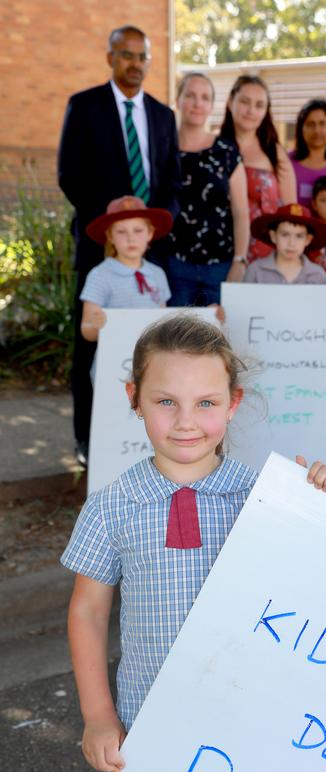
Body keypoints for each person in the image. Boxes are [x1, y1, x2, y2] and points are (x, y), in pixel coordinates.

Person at [61, 313, 326, 772]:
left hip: (254, 719)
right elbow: (88, 613)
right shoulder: (109, 507)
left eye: (205, 403)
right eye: (165, 401)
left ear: (233, 403)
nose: (185, 422)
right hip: (148, 722)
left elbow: (323, 589)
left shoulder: (268, 499)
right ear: (133, 398)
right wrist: (98, 716)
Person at [58, 24, 181, 466]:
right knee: (91, 345)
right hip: (100, 248)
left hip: (150, 253)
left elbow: (171, 180)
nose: (135, 63)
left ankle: (143, 436)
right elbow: (69, 175)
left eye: (142, 56)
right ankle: (88, 439)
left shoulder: (163, 115)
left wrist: (151, 228)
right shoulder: (85, 106)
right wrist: (113, 221)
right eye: (126, 55)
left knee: (152, 347)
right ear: (110, 58)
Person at [166, 73, 249, 305]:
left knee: (216, 339)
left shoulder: (226, 151)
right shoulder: (163, 149)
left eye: (205, 97)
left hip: (220, 266)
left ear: (212, 105)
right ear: (178, 100)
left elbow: (241, 212)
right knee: (176, 338)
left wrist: (239, 261)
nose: (197, 103)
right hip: (174, 265)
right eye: (190, 95)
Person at [79, 196, 172, 380]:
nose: (131, 238)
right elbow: (86, 328)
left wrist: (208, 316)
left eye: (138, 230)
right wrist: (96, 326)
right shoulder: (100, 275)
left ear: (150, 233)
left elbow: (164, 321)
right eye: (121, 232)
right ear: (110, 236)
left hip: (152, 363)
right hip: (114, 365)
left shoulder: (157, 274)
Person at [220, 75, 296, 263]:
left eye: (259, 105)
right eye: (245, 102)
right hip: (221, 255)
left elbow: (291, 211)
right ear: (230, 102)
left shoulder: (275, 153)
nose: (251, 110)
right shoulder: (214, 149)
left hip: (268, 258)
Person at [244, 204, 326, 285]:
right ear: (273, 236)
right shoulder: (256, 270)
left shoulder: (318, 275)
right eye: (285, 234)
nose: (291, 243)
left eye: (299, 236)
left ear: (308, 240)